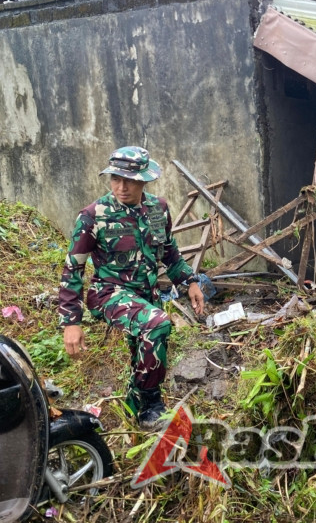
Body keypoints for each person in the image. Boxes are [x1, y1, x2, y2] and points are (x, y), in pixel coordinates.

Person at [58, 146, 204, 429]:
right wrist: (70, 322)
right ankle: (152, 405)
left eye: (130, 180)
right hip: (108, 293)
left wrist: (190, 281)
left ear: (144, 180)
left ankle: (133, 408)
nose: (121, 187)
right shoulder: (93, 215)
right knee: (157, 324)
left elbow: (170, 253)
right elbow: (72, 269)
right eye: (115, 178)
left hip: (145, 295)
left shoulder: (158, 209)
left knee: (145, 349)